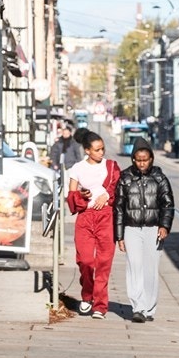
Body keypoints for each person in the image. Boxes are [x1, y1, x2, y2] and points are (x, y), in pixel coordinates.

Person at [114, 144, 173, 323]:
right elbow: (118, 208)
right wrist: (119, 236)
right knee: (134, 267)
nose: (141, 164)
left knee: (150, 269)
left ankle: (149, 308)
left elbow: (168, 205)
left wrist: (164, 226)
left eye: (145, 160)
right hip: (131, 229)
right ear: (133, 160)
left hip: (153, 229)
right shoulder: (125, 178)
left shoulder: (160, 178)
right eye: (138, 160)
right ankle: (138, 308)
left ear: (151, 159)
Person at [65, 131, 119, 319]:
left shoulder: (111, 166)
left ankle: (100, 305)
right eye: (97, 150)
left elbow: (119, 189)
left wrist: (107, 196)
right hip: (86, 217)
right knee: (86, 261)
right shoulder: (77, 169)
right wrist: (82, 196)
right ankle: (87, 296)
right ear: (87, 151)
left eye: (102, 148)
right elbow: (71, 197)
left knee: (104, 263)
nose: (101, 153)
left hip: (106, 216)